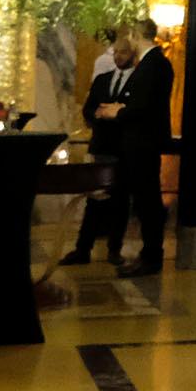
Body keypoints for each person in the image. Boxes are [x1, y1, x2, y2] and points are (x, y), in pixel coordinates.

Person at [90, 16, 176, 275]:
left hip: (144, 142)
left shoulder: (154, 64)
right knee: (143, 199)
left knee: (148, 201)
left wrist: (118, 112)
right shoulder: (150, 63)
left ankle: (151, 256)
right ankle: (148, 254)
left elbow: (145, 108)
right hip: (138, 142)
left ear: (136, 36)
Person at [61, 38, 128, 266]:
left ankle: (114, 249)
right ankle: (83, 249)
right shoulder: (102, 80)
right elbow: (88, 109)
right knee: (94, 200)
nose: (118, 56)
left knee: (119, 200)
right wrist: (97, 115)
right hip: (101, 146)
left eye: (123, 52)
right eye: (116, 52)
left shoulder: (135, 82)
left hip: (123, 148)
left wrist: (116, 114)